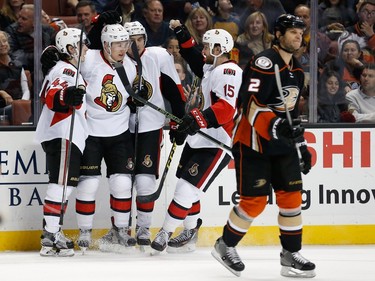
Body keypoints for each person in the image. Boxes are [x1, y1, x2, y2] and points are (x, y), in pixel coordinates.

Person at [211, 14, 315, 278]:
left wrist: (300, 145)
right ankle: (225, 245)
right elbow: (250, 103)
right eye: (292, 32)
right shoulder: (264, 62)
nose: (297, 37)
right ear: (278, 35)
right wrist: (276, 127)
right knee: (254, 202)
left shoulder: (298, 69)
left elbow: (290, 115)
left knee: (292, 199)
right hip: (254, 143)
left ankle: (290, 254)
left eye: (300, 33)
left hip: (282, 145)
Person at [150, 22, 243, 253]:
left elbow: (225, 109)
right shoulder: (212, 68)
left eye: (208, 47)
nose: (203, 51)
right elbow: (194, 59)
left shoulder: (229, 71)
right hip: (200, 137)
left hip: (217, 142)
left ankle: (165, 232)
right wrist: (183, 35)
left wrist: (196, 120)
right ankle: (190, 231)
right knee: (186, 185)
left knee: (186, 189)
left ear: (219, 49)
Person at [35, 28, 88, 257]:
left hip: (63, 133)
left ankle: (52, 234)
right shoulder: (66, 69)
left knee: (64, 185)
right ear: (70, 48)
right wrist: (65, 97)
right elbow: (53, 95)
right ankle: (50, 233)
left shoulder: (63, 68)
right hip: (64, 132)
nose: (86, 49)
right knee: (60, 184)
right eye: (82, 44)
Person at [5, 4, 55, 72]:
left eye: (24, 19)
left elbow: (55, 50)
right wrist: (39, 56)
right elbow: (12, 55)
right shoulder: (11, 31)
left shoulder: (48, 30)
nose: (19, 21)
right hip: (24, 70)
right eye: (19, 17)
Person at [0, 30, 30, 124]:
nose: (2, 44)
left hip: (17, 106)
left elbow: (25, 89)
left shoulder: (17, 64)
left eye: (4, 41)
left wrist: (22, 103)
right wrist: (2, 92)